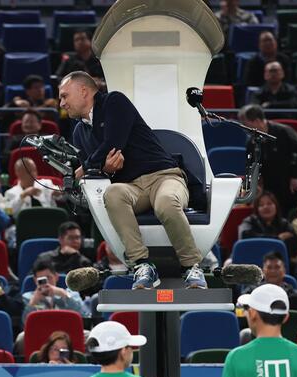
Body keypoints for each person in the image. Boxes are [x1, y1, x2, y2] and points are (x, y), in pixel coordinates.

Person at [61, 71, 206, 289]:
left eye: (64, 96)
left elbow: (113, 144)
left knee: (166, 203)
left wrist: (84, 168)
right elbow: (100, 169)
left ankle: (192, 266)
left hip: (164, 176)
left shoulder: (114, 101)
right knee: (113, 194)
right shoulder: (79, 132)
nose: (61, 103)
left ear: (83, 91)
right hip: (131, 187)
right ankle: (142, 264)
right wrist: (100, 169)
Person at [239, 104, 297, 215]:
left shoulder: (284, 131)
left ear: (257, 121)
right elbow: (251, 166)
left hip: (292, 184)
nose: (245, 130)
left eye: (246, 125)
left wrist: (296, 175)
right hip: (271, 188)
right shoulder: (251, 143)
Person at [21, 258, 87, 326]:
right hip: (41, 330)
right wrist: (33, 302)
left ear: (56, 277)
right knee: (21, 336)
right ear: (35, 280)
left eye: (49, 278)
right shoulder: (28, 297)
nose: (46, 283)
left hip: (68, 329)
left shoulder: (71, 293)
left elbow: (84, 315)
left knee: (87, 334)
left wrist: (64, 295)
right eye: (41, 280)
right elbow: (25, 325)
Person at [238, 190, 297, 260]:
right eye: (261, 205)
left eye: (269, 203)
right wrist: (277, 238)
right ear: (257, 209)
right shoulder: (249, 221)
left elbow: (294, 240)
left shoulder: (284, 223)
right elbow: (245, 236)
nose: (266, 207)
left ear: (276, 206)